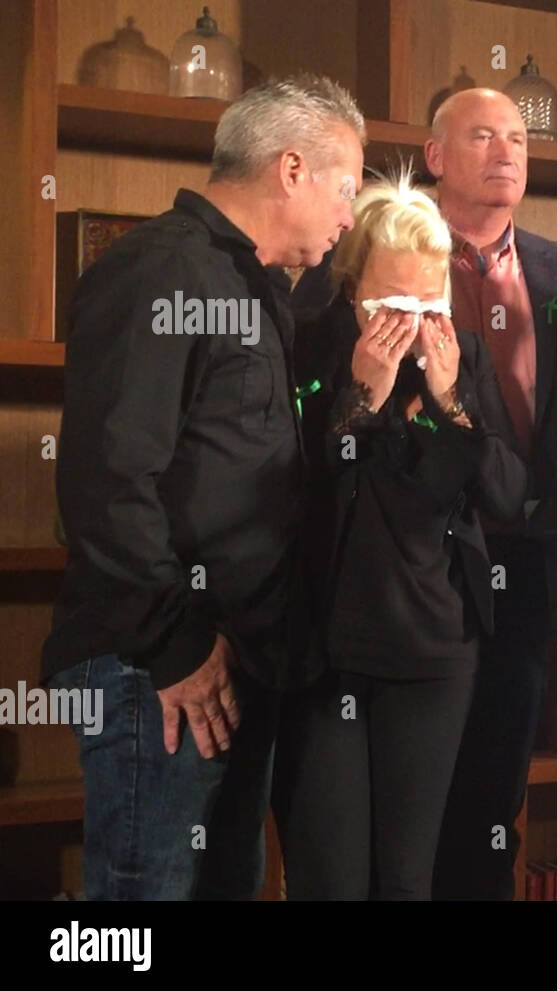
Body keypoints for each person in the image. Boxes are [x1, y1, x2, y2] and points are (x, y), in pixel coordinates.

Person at [41, 75, 365, 900]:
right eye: (346, 187)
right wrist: (176, 648)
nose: (348, 215)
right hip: (159, 673)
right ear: (292, 169)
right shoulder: (160, 270)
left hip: (231, 661)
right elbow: (108, 482)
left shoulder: (261, 289)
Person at [272, 171, 528, 899]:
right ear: (353, 292)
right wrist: (361, 396)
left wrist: (451, 404)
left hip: (436, 655)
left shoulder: (464, 358)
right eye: (390, 305)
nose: (411, 325)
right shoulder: (310, 351)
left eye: (429, 304)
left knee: (408, 879)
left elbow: (510, 494)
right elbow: (290, 494)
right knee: (331, 878)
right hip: (328, 655)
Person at [423, 88, 557, 900]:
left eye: (519, 140)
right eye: (483, 136)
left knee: (497, 784)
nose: (506, 152)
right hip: (412, 558)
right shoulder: (385, 251)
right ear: (435, 157)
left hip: (523, 554)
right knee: (412, 786)